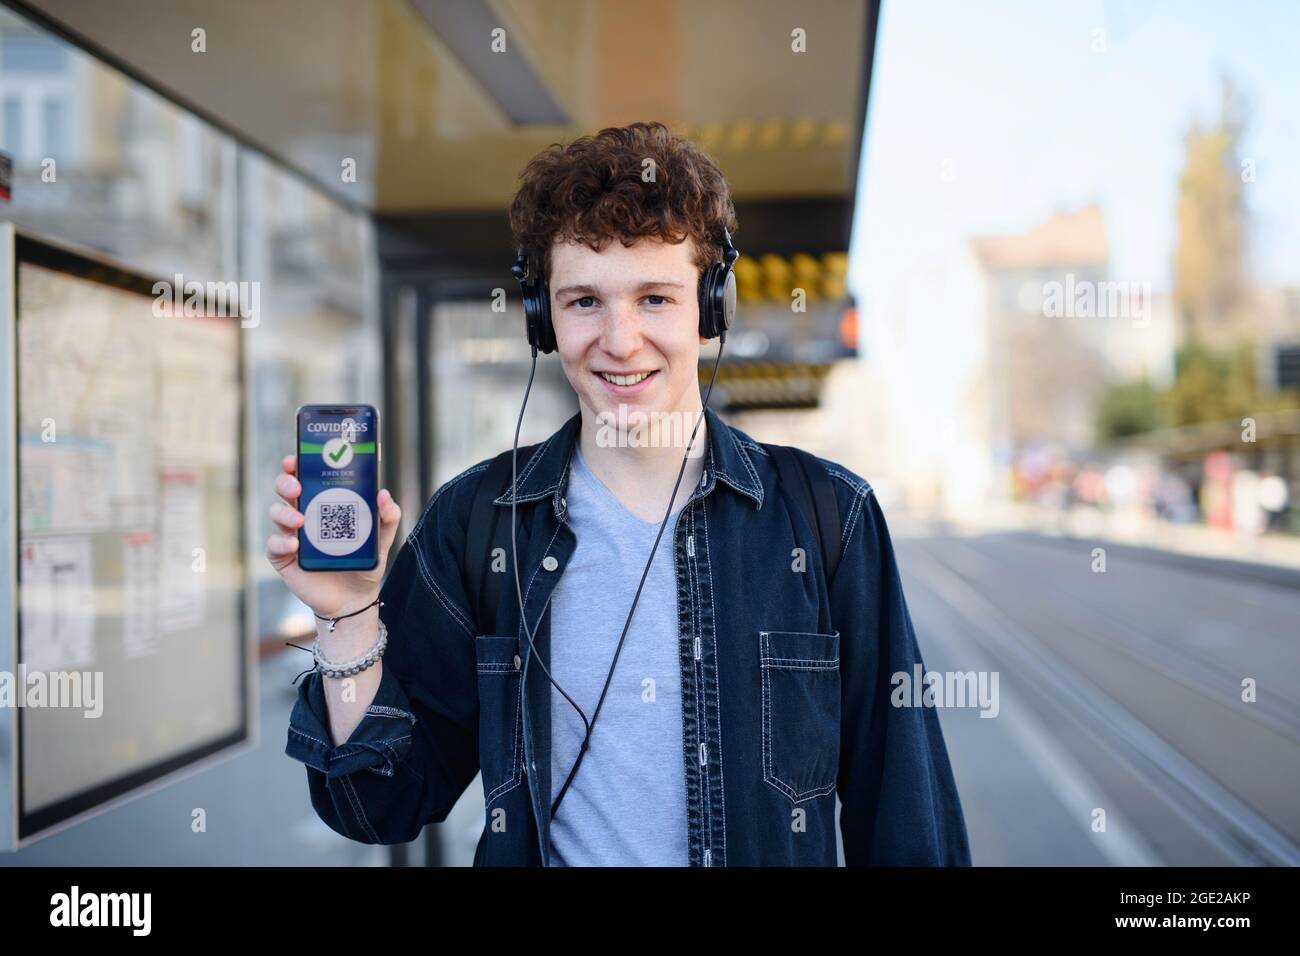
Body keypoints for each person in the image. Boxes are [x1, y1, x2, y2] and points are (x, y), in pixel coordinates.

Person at [269, 121, 971, 866]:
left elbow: (906, 820)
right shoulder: (478, 523)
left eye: (655, 300)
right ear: (544, 321)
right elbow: (378, 804)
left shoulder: (829, 516)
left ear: (710, 309)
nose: (621, 339)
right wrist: (344, 616)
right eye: (583, 303)